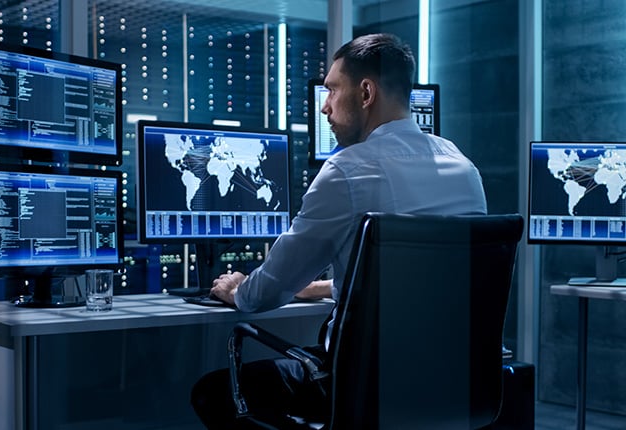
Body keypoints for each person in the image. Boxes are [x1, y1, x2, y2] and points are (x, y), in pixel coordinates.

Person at [191, 32, 487, 429]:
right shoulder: (463, 167)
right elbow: (423, 282)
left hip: (364, 385)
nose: (325, 106)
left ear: (366, 93)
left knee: (213, 392)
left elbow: (266, 292)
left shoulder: (347, 170)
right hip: (454, 380)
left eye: (331, 90)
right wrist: (325, 287)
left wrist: (236, 290)